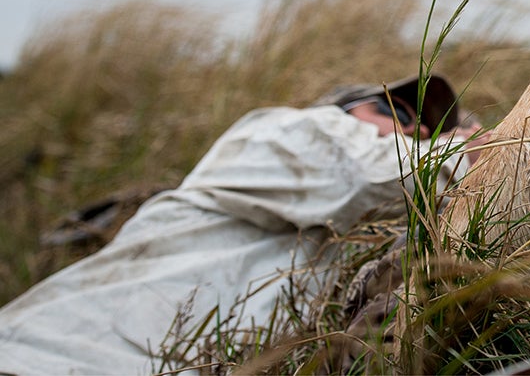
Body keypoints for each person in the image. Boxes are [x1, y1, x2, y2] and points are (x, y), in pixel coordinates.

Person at [0, 75, 485, 375]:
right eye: (394, 109)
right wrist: (475, 151)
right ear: (337, 109)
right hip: (44, 358)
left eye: (431, 128)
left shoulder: (365, 234)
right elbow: (360, 177)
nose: (417, 128)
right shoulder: (285, 129)